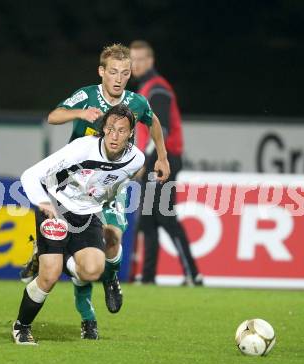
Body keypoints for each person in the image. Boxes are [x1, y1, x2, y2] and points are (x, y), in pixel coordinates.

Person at [19, 43, 170, 338]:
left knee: (112, 238)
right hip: (75, 184)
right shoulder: (87, 95)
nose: (118, 78)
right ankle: (87, 316)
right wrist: (78, 114)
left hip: (109, 184)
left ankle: (111, 279)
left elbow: (154, 122)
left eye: (125, 73)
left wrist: (162, 156)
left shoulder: (136, 103)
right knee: (84, 266)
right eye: (112, 72)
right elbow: (53, 115)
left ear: (130, 75)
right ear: (102, 72)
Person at [12, 104, 145, 345]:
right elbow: (30, 175)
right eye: (111, 129)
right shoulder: (81, 149)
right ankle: (21, 326)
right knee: (49, 276)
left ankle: (53, 256)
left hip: (88, 214)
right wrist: (43, 202)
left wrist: (100, 201)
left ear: (131, 134)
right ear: (103, 129)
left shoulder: (136, 160)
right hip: (56, 208)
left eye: (122, 131)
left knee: (92, 270)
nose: (115, 136)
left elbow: (114, 182)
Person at [129, 40, 203, 286]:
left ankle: (193, 274)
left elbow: (163, 130)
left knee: (163, 215)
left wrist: (145, 161)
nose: (135, 64)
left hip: (164, 159)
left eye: (140, 59)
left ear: (150, 61)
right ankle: (148, 278)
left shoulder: (157, 88)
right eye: (132, 59)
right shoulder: (147, 88)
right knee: (148, 219)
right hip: (156, 159)